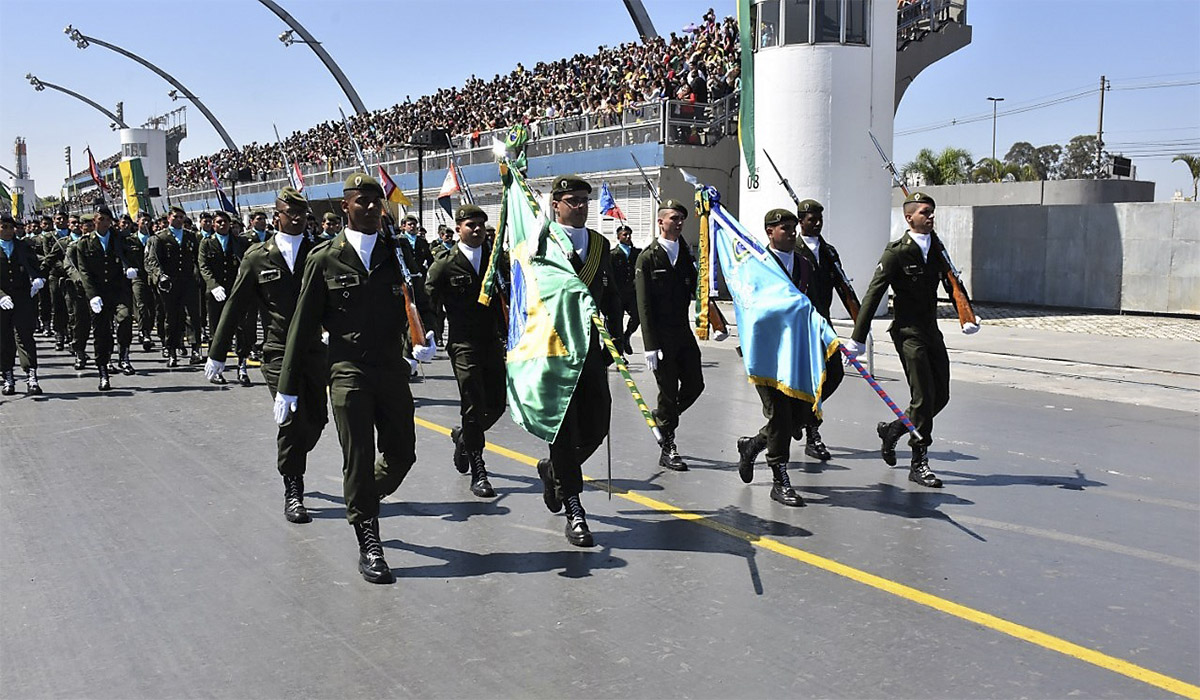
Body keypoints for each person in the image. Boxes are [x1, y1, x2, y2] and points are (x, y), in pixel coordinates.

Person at [275, 173, 436, 583]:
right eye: (360, 201)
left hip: (392, 369)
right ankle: (370, 541)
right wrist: (288, 385)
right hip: (347, 372)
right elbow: (302, 325)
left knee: (402, 455)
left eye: (375, 201)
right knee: (358, 457)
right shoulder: (324, 258)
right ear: (344, 207)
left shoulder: (396, 252)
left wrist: (426, 335)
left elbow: (419, 300)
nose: (370, 207)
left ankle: (362, 497)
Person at [207, 188, 329, 524]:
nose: (298, 219)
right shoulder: (257, 256)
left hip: (315, 350)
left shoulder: (318, 252)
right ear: (277, 216)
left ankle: (294, 462)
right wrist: (218, 353)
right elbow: (235, 303)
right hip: (276, 352)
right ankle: (293, 487)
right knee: (291, 418)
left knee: (317, 420)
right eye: (290, 213)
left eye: (302, 214)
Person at [844, 192, 978, 488]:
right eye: (925, 213)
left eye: (932, 213)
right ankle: (919, 461)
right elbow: (873, 294)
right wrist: (858, 337)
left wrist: (965, 312)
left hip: (931, 331)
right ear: (909, 218)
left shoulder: (937, 249)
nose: (930, 217)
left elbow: (952, 282)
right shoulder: (896, 253)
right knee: (923, 397)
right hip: (907, 334)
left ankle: (893, 429)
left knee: (940, 396)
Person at [535, 175, 624, 547]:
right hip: (554, 350)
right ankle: (574, 507)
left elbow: (613, 297)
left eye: (585, 200)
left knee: (597, 425)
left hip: (591, 350)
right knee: (563, 430)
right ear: (555, 204)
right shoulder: (541, 244)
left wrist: (616, 341)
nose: (581, 206)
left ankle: (553, 471)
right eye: (573, 200)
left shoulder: (601, 245)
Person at [425, 204, 507, 498]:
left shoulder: (497, 261)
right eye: (470, 224)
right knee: (472, 403)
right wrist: (426, 334)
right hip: (462, 344)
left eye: (481, 225)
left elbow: (509, 297)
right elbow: (429, 300)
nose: (476, 229)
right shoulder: (445, 263)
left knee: (497, 403)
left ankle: (464, 437)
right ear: (458, 228)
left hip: (492, 342)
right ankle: (478, 468)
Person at [735, 209, 812, 507]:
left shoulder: (805, 265)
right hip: (765, 352)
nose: (792, 232)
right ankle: (780, 479)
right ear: (769, 232)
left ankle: (752, 445)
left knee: (801, 415)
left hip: (797, 351)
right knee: (780, 414)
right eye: (784, 228)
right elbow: (746, 306)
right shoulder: (757, 266)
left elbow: (813, 303)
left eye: (793, 227)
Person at [634, 200, 705, 471]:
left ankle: (663, 418)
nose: (678, 222)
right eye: (674, 218)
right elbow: (644, 305)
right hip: (661, 337)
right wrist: (649, 345)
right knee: (668, 389)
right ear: (660, 222)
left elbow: (697, 286)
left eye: (681, 219)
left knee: (695, 385)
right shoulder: (648, 257)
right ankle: (668, 447)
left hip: (683, 333)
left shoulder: (685, 254)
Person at [790, 198, 849, 461]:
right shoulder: (792, 250)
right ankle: (811, 432)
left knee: (834, 374)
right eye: (811, 219)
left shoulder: (829, 251)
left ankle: (803, 418)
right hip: (801, 325)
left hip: (824, 324)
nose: (817, 224)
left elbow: (842, 285)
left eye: (820, 219)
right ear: (800, 221)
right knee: (807, 381)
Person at [66, 207, 139, 389]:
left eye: (106, 219)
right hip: (98, 293)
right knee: (102, 333)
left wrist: (130, 267)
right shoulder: (84, 244)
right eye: (99, 218)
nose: (102, 222)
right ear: (95, 220)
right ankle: (103, 371)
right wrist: (92, 296)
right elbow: (84, 272)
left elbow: (133, 254)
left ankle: (124, 355)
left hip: (118, 290)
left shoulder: (119, 239)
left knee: (125, 318)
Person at [199, 210, 254, 386]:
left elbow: (246, 264)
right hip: (216, 294)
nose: (223, 225)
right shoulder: (206, 243)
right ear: (213, 225)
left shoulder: (240, 242)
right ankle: (218, 367)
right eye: (219, 222)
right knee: (217, 331)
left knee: (241, 329)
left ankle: (242, 366)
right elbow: (204, 266)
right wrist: (213, 286)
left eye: (225, 222)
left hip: (236, 292)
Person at [145, 206, 203, 367]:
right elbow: (152, 261)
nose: (179, 220)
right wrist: (160, 276)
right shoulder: (160, 238)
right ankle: (171, 350)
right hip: (169, 283)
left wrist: (198, 274)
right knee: (172, 318)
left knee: (193, 316)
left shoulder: (191, 237)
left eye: (181, 217)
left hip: (189, 281)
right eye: (176, 217)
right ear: (169, 218)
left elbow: (198, 258)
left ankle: (195, 349)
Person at [0, 214, 46, 395]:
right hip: (2, 300)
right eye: (3, 227)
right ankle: (8, 376)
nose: (8, 231)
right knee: (4, 339)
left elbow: (36, 266)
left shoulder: (23, 246)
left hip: (22, 297)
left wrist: (38, 279)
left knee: (25, 336)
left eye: (10, 227)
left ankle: (31, 375)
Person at [610, 223, 640, 355]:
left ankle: (627, 336)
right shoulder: (613, 254)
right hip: (618, 293)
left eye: (629, 234)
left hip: (632, 293)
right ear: (618, 237)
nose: (628, 237)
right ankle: (620, 352)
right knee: (617, 322)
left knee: (637, 317)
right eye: (624, 235)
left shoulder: (636, 252)